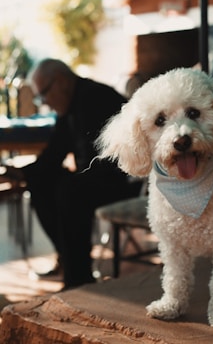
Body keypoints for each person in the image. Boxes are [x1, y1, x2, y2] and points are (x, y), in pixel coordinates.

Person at [0, 58, 140, 289]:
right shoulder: (70, 104)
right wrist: (20, 174)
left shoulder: (95, 97)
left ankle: (78, 277)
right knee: (42, 182)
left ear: (61, 82)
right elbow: (53, 156)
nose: (44, 102)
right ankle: (70, 260)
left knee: (70, 190)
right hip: (97, 179)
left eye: (44, 93)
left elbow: (109, 166)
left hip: (127, 180)